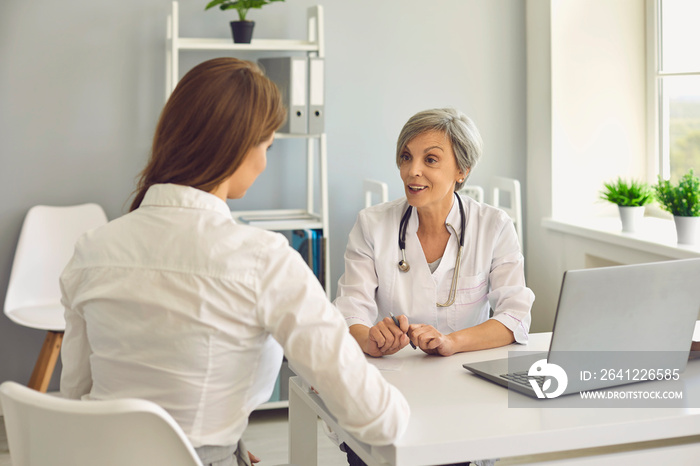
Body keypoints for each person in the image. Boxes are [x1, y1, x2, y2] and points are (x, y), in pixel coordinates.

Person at [59, 57, 409, 466]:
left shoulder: (92, 249)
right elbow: (377, 417)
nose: (264, 163)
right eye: (268, 147)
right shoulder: (265, 260)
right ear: (240, 148)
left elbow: (77, 396)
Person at [335, 108, 535, 359]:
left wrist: (452, 341)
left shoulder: (494, 226)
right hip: (393, 371)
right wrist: (369, 340)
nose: (412, 171)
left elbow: (515, 316)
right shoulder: (372, 224)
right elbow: (350, 310)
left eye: (430, 159)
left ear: (462, 170)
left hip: (465, 369)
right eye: (406, 157)